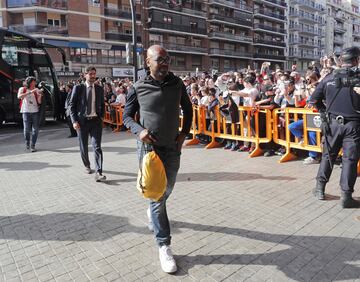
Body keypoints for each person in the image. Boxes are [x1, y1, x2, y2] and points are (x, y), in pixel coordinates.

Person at [123, 45, 193, 274]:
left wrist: (183, 135)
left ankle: (154, 212)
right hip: (148, 150)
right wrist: (139, 130)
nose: (164, 64)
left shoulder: (177, 84)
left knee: (166, 190)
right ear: (148, 62)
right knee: (157, 196)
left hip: (172, 147)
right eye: (160, 60)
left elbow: (188, 109)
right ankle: (164, 245)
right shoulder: (138, 86)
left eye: (168, 60)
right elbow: (126, 116)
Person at [311, 46, 360, 208]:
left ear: (341, 61)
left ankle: (319, 189)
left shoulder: (328, 78)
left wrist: (324, 112)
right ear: (356, 60)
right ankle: (346, 197)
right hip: (353, 125)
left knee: (328, 156)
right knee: (349, 160)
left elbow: (314, 100)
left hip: (332, 124)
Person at [69, 66, 106, 182]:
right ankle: (87, 165)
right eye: (90, 74)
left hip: (95, 122)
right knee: (83, 146)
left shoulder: (99, 88)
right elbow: (72, 105)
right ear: (85, 75)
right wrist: (74, 121)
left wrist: (102, 117)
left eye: (94, 74)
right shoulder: (78, 88)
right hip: (82, 122)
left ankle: (99, 172)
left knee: (97, 146)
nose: (93, 76)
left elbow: (102, 104)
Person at [17, 76, 43, 152]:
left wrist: (40, 96)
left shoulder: (37, 89)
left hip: (35, 111)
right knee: (27, 129)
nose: (34, 83)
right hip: (25, 111)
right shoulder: (22, 89)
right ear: (29, 82)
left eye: (35, 82)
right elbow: (19, 96)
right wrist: (30, 92)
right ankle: (27, 142)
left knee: (36, 130)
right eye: (33, 82)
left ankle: (33, 145)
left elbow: (39, 102)